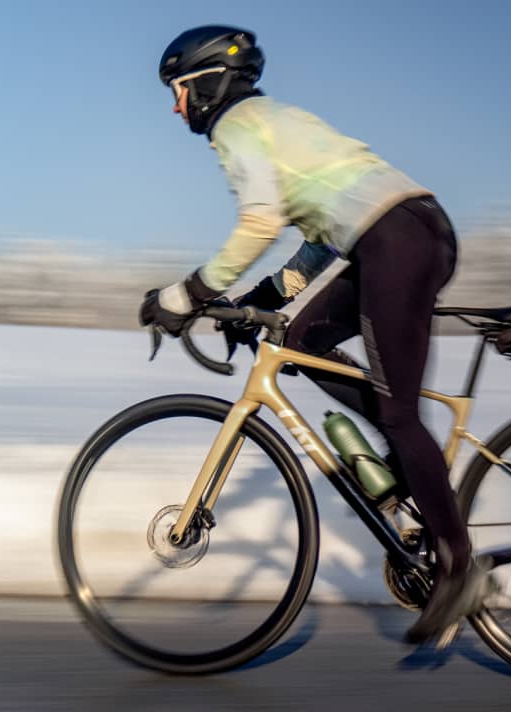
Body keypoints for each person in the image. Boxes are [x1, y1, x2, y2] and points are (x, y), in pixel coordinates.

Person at [139, 25, 489, 646]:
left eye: (179, 90)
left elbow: (259, 221)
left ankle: (457, 567)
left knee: (401, 412)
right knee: (299, 341)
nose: (176, 106)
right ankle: (403, 462)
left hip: (394, 241)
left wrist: (189, 293)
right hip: (404, 232)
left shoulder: (235, 125)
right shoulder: (275, 120)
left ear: (209, 83)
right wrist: (266, 299)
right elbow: (321, 229)